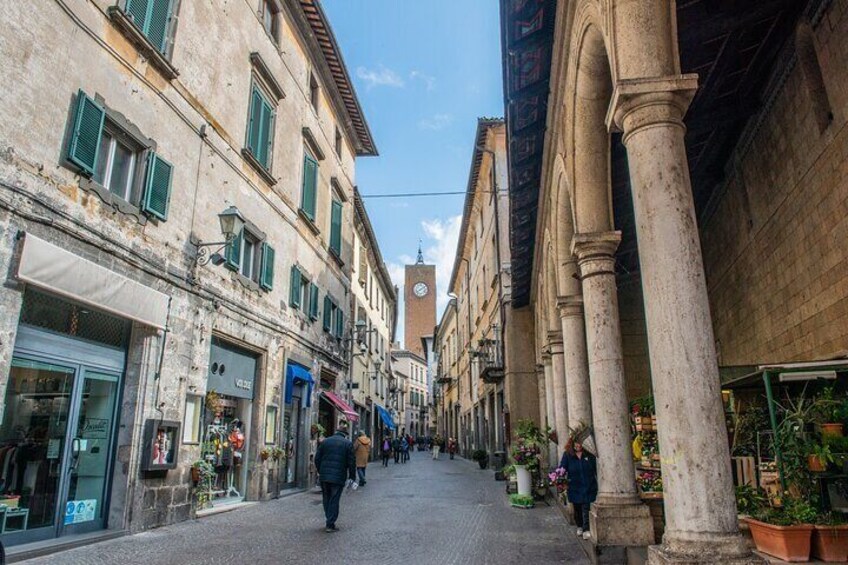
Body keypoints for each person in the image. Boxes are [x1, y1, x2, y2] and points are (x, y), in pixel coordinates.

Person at [314, 422, 356, 533]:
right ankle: (330, 523)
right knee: (334, 499)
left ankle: (329, 518)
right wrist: (352, 477)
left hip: (324, 476)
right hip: (338, 476)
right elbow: (351, 462)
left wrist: (320, 470)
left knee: (326, 498)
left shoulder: (325, 442)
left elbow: (317, 458)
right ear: (345, 434)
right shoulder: (347, 443)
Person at [560, 439, 598, 540]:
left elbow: (596, 468)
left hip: (589, 485)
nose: (578, 445)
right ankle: (580, 526)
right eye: (576, 443)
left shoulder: (589, 454)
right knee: (577, 507)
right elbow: (562, 469)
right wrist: (560, 480)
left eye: (580, 443)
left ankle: (586, 529)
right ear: (572, 444)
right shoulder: (567, 455)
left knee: (586, 506)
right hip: (574, 486)